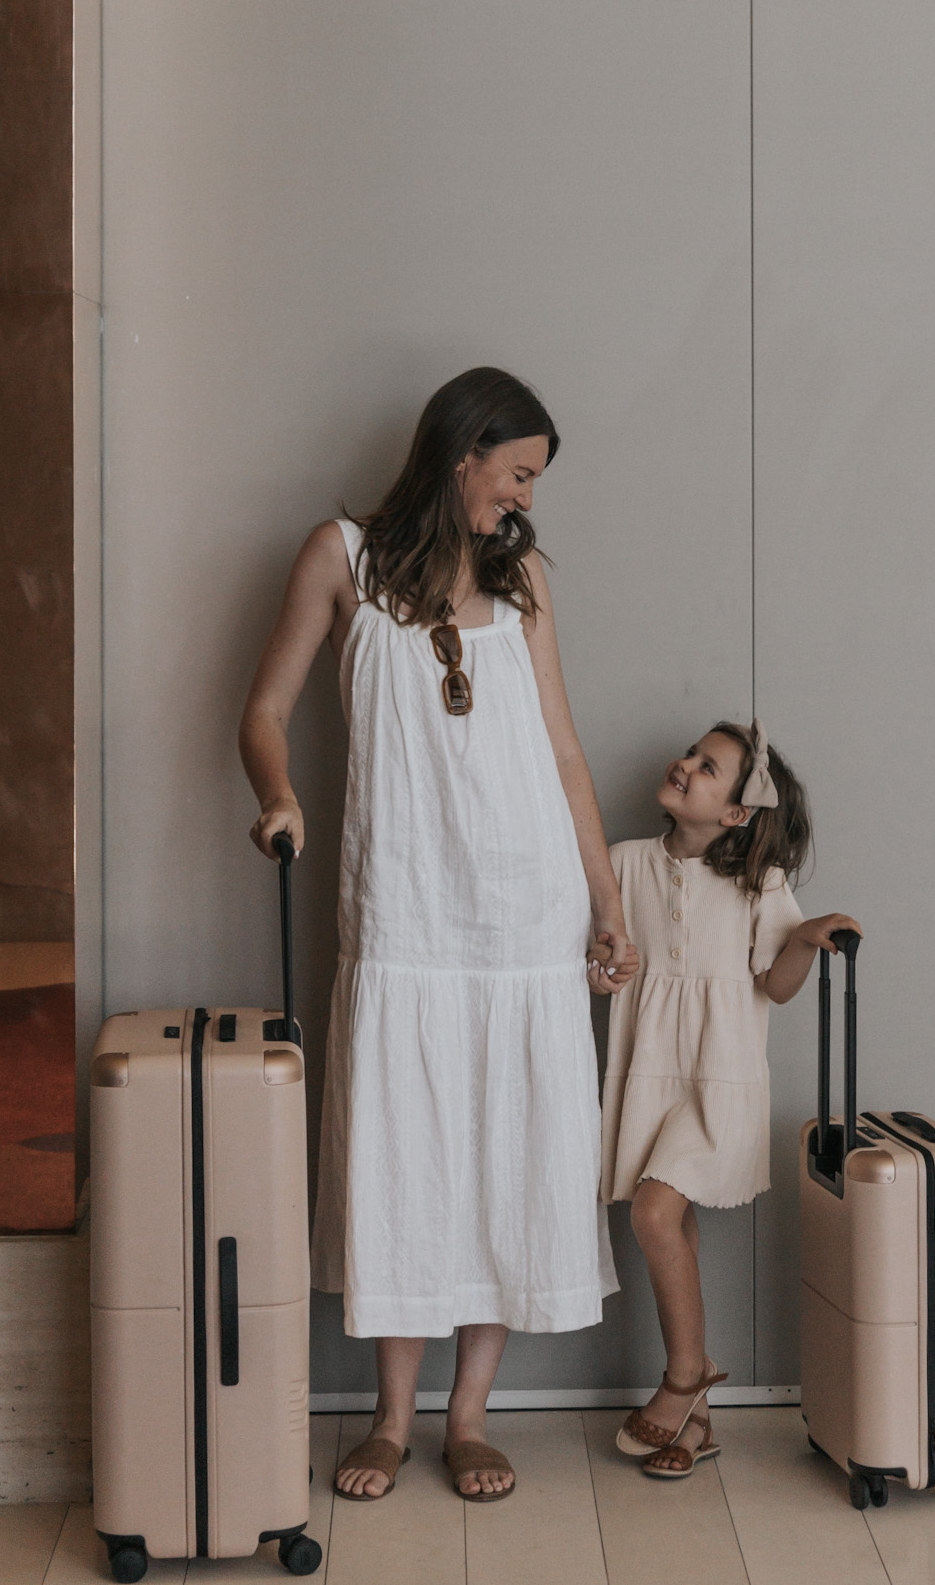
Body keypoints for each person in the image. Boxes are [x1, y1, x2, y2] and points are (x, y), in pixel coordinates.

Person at [238, 366, 639, 1504]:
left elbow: (562, 747)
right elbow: (261, 709)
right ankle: (391, 1415)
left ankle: (469, 1415)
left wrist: (605, 900)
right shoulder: (342, 556)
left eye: (532, 483)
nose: (520, 501)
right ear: (460, 451)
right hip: (403, 907)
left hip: (526, 913)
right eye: (514, 473)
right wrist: (279, 795)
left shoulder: (525, 578)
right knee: (404, 1153)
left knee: (508, 1149)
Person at [597, 720, 860, 1479]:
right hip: (648, 1068)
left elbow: (772, 986)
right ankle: (697, 1425)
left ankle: (685, 1375)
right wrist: (599, 970)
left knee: (652, 1211)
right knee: (668, 1220)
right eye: (691, 755)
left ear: (736, 813)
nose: (683, 766)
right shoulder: (622, 864)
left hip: (719, 1076)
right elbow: (597, 954)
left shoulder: (757, 884)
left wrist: (804, 938)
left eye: (706, 767)